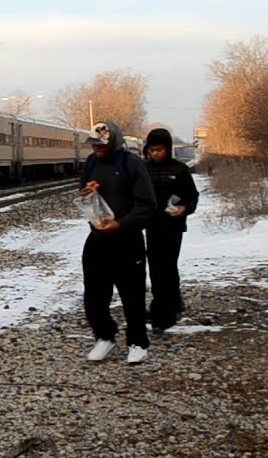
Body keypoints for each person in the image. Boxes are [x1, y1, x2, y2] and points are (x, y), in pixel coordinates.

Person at [79, 121, 157, 364]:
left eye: (100, 145)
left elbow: (147, 205)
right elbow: (83, 192)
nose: (96, 149)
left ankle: (138, 342)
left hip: (127, 240)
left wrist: (121, 224)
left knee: (132, 296)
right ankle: (104, 336)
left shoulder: (131, 164)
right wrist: (87, 192)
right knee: (94, 295)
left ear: (113, 143)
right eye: (93, 145)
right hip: (98, 238)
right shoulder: (90, 163)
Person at [143, 128, 200, 331]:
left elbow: (192, 196)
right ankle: (168, 302)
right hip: (151, 224)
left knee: (167, 265)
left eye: (160, 150)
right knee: (156, 266)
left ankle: (165, 309)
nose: (156, 154)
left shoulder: (180, 170)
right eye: (152, 150)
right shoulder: (143, 169)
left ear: (167, 148)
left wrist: (184, 209)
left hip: (173, 225)